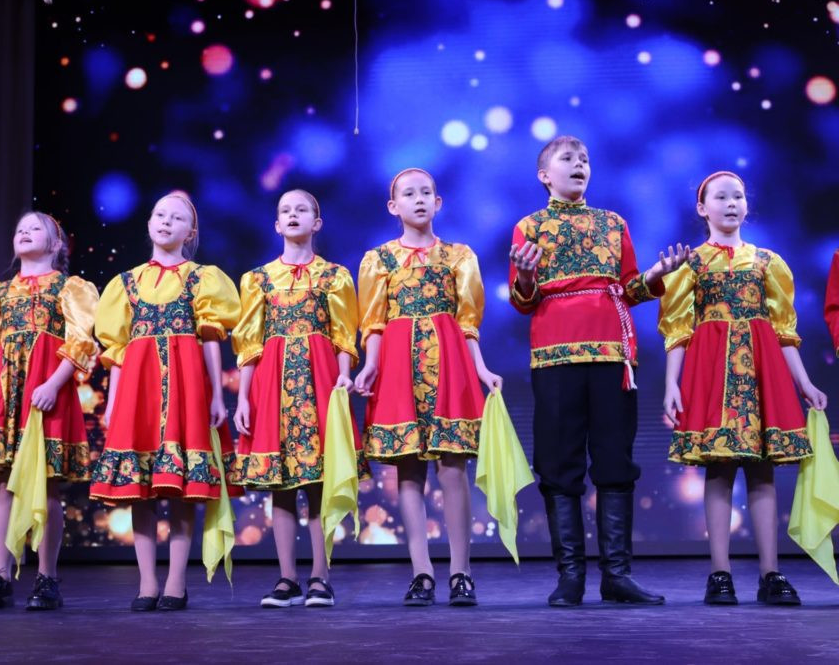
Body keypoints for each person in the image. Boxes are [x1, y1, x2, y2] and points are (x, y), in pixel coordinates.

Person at [509, 136, 685, 606]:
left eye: (584, 159)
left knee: (614, 460)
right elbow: (523, 300)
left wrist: (655, 276)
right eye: (567, 159)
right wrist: (525, 276)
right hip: (555, 356)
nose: (579, 164)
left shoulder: (613, 223)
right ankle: (570, 577)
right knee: (558, 463)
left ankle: (617, 576)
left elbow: (629, 289)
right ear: (544, 175)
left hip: (612, 356)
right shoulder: (529, 227)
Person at [660, 170, 826, 605]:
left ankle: (771, 572)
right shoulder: (691, 264)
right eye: (721, 197)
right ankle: (720, 573)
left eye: (737, 196)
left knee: (762, 470)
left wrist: (804, 382)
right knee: (719, 469)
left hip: (760, 370)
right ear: (702, 208)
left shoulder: (768, 262)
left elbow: (784, 331)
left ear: (746, 206)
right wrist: (671, 384)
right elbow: (677, 330)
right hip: (712, 371)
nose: (731, 203)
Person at [354, 168, 502, 607]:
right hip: (399, 365)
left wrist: (481, 368)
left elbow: (468, 321)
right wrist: (371, 365)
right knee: (409, 470)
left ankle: (461, 572)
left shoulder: (458, 256)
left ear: (438, 203)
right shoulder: (379, 260)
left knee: (453, 467)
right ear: (393, 206)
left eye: (426, 193)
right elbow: (373, 321)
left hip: (449, 364)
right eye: (408, 193)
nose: (418, 199)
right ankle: (421, 572)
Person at [90, 193, 241, 611]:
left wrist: (215, 394)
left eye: (177, 218)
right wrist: (113, 403)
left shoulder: (201, 279)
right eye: (160, 214)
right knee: (139, 488)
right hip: (138, 390)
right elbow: (117, 351)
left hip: (186, 387)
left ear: (190, 233)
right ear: (149, 223)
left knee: (180, 487)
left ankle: (176, 581)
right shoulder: (126, 283)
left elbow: (210, 339)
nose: (166, 222)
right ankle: (146, 582)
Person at [231, 189, 367, 608]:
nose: (293, 215)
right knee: (282, 485)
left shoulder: (334, 276)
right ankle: (287, 578)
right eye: (285, 211)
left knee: (320, 480)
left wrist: (343, 378)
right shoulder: (257, 279)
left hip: (320, 381)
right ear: (277, 225)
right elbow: (250, 344)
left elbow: (343, 335)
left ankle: (321, 576)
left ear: (316, 222)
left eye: (302, 209)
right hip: (272, 384)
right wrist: (243, 398)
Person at [0, 212, 98, 611]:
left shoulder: (70, 287)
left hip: (47, 387)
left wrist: (53, 384)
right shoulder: (0, 291)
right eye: (20, 228)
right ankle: (1, 576)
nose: (25, 232)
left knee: (47, 483)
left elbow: (80, 340)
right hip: (4, 393)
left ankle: (47, 577)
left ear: (57, 244)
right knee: (4, 484)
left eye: (36, 228)